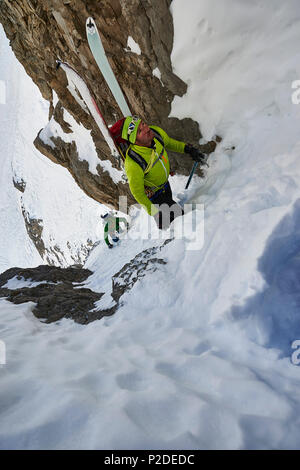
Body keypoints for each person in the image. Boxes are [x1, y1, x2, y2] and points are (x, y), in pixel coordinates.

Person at [120, 116, 206, 229]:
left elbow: (169, 143)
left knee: (171, 216)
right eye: (140, 131)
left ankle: (168, 231)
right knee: (181, 220)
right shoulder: (133, 163)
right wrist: (155, 212)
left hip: (165, 186)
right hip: (154, 196)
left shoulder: (156, 134)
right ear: (135, 141)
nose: (146, 128)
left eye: (143, 124)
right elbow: (138, 193)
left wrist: (188, 149)